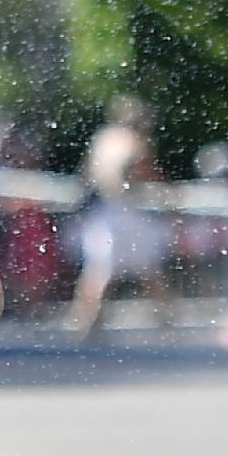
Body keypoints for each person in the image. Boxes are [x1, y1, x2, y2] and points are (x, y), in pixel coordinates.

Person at [66, 95, 167, 340]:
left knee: (103, 266)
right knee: (142, 264)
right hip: (123, 207)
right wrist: (165, 191)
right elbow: (138, 169)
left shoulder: (103, 139)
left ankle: (84, 318)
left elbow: (87, 172)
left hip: (103, 208)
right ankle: (165, 314)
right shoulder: (131, 140)